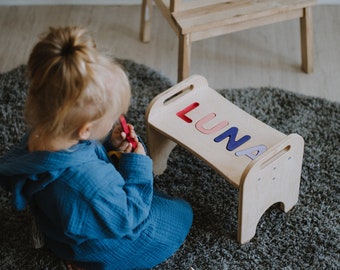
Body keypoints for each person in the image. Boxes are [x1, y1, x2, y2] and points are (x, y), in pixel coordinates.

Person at [0, 26, 193, 270]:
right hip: (96, 242)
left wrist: (109, 143)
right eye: (113, 117)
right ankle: (84, 259)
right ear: (85, 130)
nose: (115, 120)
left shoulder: (40, 135)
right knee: (180, 215)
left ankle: (64, 240)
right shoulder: (90, 185)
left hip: (60, 218)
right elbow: (128, 217)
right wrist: (137, 165)